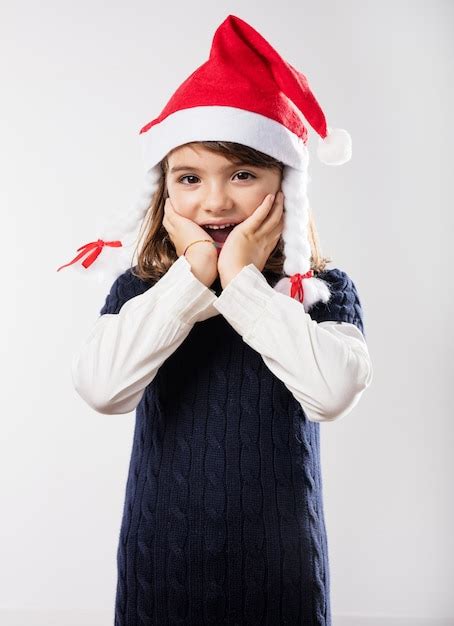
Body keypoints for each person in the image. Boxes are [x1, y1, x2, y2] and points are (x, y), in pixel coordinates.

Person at [58, 14, 373, 626]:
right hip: (162, 569)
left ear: (286, 186)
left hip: (282, 577)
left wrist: (244, 286)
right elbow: (101, 389)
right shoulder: (145, 290)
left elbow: (332, 394)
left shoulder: (321, 291)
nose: (216, 200)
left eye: (244, 175)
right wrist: (194, 275)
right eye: (190, 178)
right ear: (165, 192)